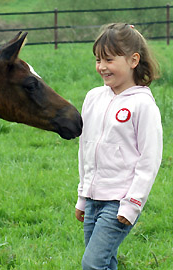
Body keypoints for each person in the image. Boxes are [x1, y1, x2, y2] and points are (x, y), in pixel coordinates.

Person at [75, 23, 163, 270]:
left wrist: (133, 202)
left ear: (133, 60)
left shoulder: (142, 105)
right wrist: (82, 197)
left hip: (119, 201)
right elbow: (86, 150)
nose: (101, 67)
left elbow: (150, 159)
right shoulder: (93, 97)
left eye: (109, 60)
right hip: (93, 199)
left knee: (92, 264)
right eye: (98, 60)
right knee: (105, 261)